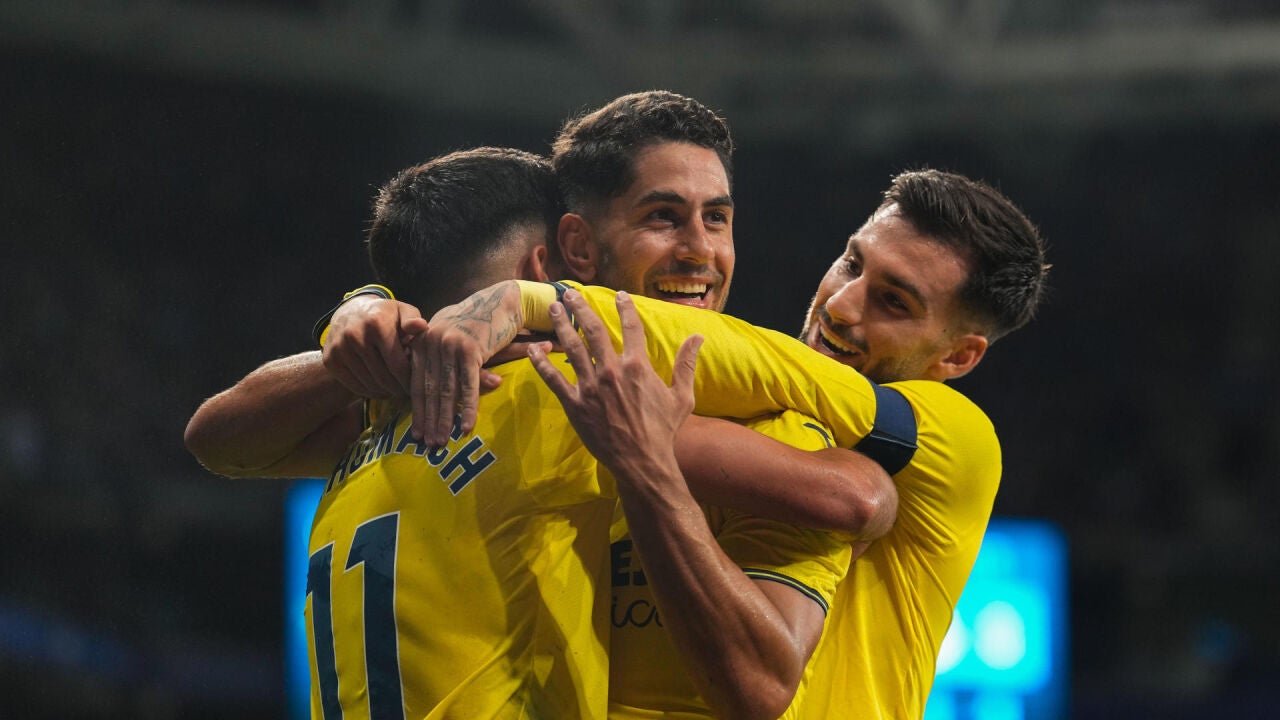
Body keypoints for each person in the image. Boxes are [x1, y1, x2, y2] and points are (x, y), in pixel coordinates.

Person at [188, 94, 893, 719]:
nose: (699, 249)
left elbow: (213, 437)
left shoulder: (384, 408)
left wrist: (359, 321)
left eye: (717, 218)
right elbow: (859, 496)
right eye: (661, 217)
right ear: (553, 262)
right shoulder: (558, 393)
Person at [406, 167, 1049, 719]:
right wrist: (378, 310)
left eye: (894, 302)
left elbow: (775, 370)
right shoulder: (752, 413)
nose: (842, 306)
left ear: (959, 356)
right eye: (852, 264)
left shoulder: (956, 436)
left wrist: (530, 303)